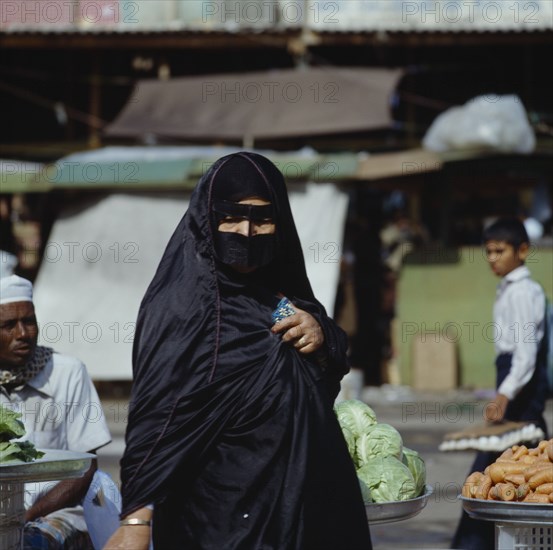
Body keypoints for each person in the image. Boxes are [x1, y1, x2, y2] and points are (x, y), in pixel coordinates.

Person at [105, 152, 372, 550]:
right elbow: (160, 415)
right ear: (207, 218)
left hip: (310, 507)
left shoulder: (285, 294)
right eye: (231, 217)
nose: (246, 232)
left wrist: (320, 334)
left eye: (263, 219)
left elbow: (331, 366)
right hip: (226, 519)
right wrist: (136, 521)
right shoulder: (184, 306)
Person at [451, 217, 548, 550]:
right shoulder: (509, 288)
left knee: (495, 480)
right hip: (516, 397)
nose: (492, 257)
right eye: (488, 251)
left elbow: (525, 355)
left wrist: (504, 396)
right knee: (500, 481)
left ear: (522, 250)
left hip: (521, 402)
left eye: (500, 250)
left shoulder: (522, 292)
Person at [0, 275, 112, 550]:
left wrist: (26, 517)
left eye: (29, 321)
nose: (23, 334)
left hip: (55, 513)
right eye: (8, 325)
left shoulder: (68, 372)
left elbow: (85, 466)